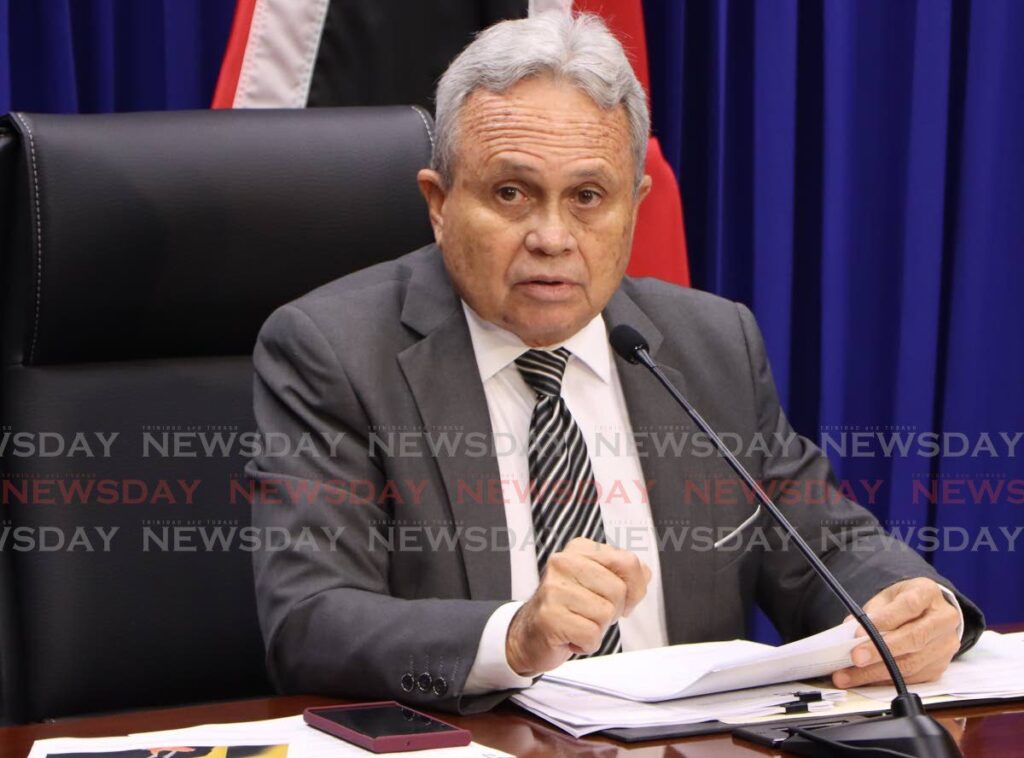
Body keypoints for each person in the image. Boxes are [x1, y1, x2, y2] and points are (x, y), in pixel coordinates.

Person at [246, 11, 983, 714]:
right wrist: (516, 634)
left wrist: (921, 604)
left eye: (589, 197)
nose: (552, 236)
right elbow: (312, 622)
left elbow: (826, 543)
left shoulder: (710, 344)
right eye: (511, 193)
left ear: (635, 204)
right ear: (438, 203)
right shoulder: (335, 352)